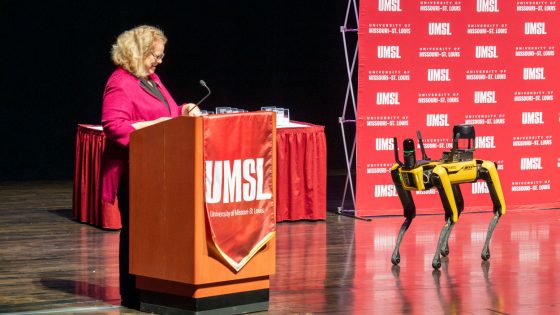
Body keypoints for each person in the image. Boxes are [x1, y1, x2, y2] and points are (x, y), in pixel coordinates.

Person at [100, 25, 200, 308]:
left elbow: (165, 115)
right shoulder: (120, 82)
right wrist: (159, 126)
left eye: (161, 55)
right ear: (137, 52)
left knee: (157, 232)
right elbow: (115, 128)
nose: (160, 61)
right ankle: (131, 295)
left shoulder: (151, 78)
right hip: (135, 170)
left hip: (160, 168)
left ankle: (155, 287)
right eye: (155, 55)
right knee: (136, 234)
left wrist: (183, 110)